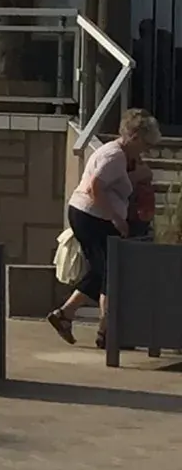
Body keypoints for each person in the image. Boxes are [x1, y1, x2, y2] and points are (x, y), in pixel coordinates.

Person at [50, 109, 162, 347]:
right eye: (145, 144)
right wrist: (116, 218)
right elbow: (95, 187)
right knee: (109, 271)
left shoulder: (122, 157)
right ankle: (102, 329)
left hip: (95, 216)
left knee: (108, 270)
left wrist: (139, 175)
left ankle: (75, 318)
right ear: (133, 137)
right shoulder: (113, 156)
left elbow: (115, 184)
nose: (146, 150)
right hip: (90, 217)